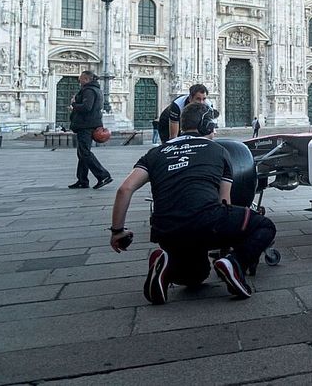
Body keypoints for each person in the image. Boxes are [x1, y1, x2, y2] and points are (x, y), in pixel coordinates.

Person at [108, 102, 277, 305]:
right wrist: (234, 248)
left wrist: (117, 231)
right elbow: (224, 203)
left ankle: (167, 266)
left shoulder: (156, 153)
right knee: (265, 226)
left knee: (196, 276)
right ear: (206, 126)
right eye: (212, 125)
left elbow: (124, 189)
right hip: (207, 221)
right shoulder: (218, 150)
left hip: (166, 231)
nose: (214, 130)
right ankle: (235, 264)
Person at [67, 70, 113, 190]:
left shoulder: (88, 90)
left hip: (86, 125)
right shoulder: (96, 89)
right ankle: (82, 180)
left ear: (87, 79)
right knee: (82, 153)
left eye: (81, 78)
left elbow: (87, 107)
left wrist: (74, 105)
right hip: (90, 123)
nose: (79, 80)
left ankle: (103, 175)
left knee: (85, 152)